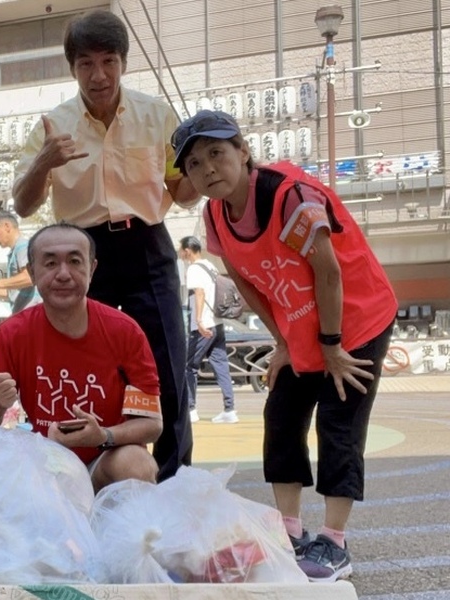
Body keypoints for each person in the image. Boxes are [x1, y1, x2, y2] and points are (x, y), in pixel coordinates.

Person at [172, 109, 397, 582]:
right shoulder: (215, 213)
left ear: (244, 151)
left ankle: (334, 545)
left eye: (216, 153)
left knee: (340, 421)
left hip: (356, 320)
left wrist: (332, 347)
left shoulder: (289, 196)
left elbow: (328, 272)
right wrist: (284, 342)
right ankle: (288, 532)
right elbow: (244, 278)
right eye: (194, 163)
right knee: (282, 417)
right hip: (305, 325)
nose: (207, 168)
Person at [12, 9, 201, 481]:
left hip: (147, 247)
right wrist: (44, 163)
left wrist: (207, 165)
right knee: (84, 368)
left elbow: (184, 193)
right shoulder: (52, 125)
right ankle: (87, 475)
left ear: (123, 62)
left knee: (167, 368)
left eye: (109, 61)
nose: (99, 75)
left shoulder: (157, 116)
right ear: (72, 68)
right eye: (86, 64)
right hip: (80, 253)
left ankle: (173, 484)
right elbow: (21, 204)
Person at [0, 224, 163, 493]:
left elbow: (153, 425)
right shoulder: (13, 332)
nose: (63, 274)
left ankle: (128, 533)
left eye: (75, 261)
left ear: (92, 269)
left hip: (104, 461)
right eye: (50, 263)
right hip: (42, 464)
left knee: (137, 463)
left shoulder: (124, 331)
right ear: (33, 271)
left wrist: (104, 436)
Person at [179, 235, 238, 424]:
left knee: (189, 367)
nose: (180, 253)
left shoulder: (195, 269)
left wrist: (199, 320)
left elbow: (199, 293)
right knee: (221, 365)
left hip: (203, 325)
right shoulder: (210, 266)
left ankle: (191, 409)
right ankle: (229, 409)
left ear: (187, 250)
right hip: (218, 322)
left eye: (181, 250)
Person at [0, 210, 40, 314]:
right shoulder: (16, 251)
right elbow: (14, 292)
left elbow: (29, 278)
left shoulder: (23, 247)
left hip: (31, 315)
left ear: (7, 226)